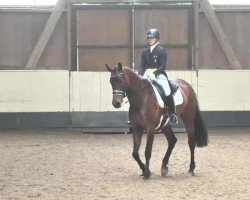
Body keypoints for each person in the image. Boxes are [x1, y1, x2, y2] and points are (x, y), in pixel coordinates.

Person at [138, 28, 178, 124]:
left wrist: (154, 74)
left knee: (167, 91)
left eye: (151, 38)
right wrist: (141, 75)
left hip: (159, 74)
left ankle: (172, 114)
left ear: (156, 39)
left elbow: (162, 66)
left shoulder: (161, 50)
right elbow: (142, 66)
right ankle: (137, 115)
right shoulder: (144, 52)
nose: (149, 40)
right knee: (138, 90)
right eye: (148, 38)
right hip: (147, 74)